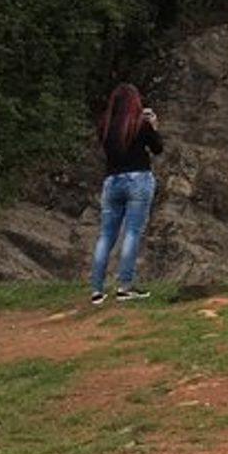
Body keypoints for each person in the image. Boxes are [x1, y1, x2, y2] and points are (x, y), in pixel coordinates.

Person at [90, 84, 162, 305]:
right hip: (138, 179)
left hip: (111, 182)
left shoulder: (105, 126)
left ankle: (96, 290)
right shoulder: (140, 124)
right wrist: (154, 126)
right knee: (131, 232)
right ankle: (125, 286)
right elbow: (158, 148)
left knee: (106, 235)